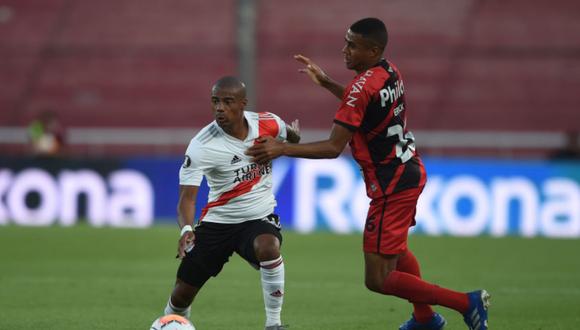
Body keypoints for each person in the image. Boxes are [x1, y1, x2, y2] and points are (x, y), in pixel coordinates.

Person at [246, 18, 490, 330]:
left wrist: (282, 149)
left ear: (372, 49)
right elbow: (363, 103)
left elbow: (334, 146)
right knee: (398, 251)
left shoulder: (361, 87)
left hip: (391, 185)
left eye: (352, 45)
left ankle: (466, 303)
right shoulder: (389, 71)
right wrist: (327, 83)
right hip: (407, 171)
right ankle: (425, 318)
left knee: (378, 278)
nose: (343, 49)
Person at [163, 76, 299, 330]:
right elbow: (187, 198)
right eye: (215, 102)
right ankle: (169, 323)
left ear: (243, 104)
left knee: (268, 247)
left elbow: (290, 135)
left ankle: (274, 324)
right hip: (219, 222)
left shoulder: (267, 123)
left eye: (227, 102)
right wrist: (186, 230)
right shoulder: (201, 145)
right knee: (182, 293)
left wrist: (288, 141)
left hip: (258, 218)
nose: (219, 108)